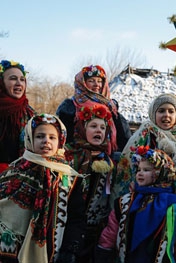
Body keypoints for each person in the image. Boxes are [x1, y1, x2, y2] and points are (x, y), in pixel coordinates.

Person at [0, 113, 85, 263]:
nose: (46, 141)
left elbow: (76, 217)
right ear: (30, 139)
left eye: (52, 137)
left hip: (53, 251)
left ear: (60, 141)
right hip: (11, 251)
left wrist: (70, 249)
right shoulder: (13, 172)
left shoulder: (69, 178)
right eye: (40, 136)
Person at [112, 93, 176, 214]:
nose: (166, 115)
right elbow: (128, 166)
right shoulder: (144, 135)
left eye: (171, 111)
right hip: (145, 197)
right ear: (153, 113)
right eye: (161, 111)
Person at [95, 146, 176, 263]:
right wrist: (103, 252)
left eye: (146, 170)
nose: (140, 173)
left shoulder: (174, 207)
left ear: (161, 173)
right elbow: (111, 232)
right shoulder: (125, 202)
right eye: (138, 169)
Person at [64, 104, 116, 263]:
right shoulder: (69, 156)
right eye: (93, 126)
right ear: (82, 129)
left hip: (94, 230)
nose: (99, 130)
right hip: (68, 224)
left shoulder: (107, 161)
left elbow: (108, 193)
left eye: (102, 127)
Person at [56, 64, 131, 156]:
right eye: (91, 81)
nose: (97, 85)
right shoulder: (70, 107)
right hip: (77, 156)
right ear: (82, 83)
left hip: (107, 157)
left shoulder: (111, 108)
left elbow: (124, 139)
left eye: (99, 81)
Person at [0, 60, 35, 173]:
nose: (19, 83)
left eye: (22, 79)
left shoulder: (30, 114)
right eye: (13, 78)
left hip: (21, 177)